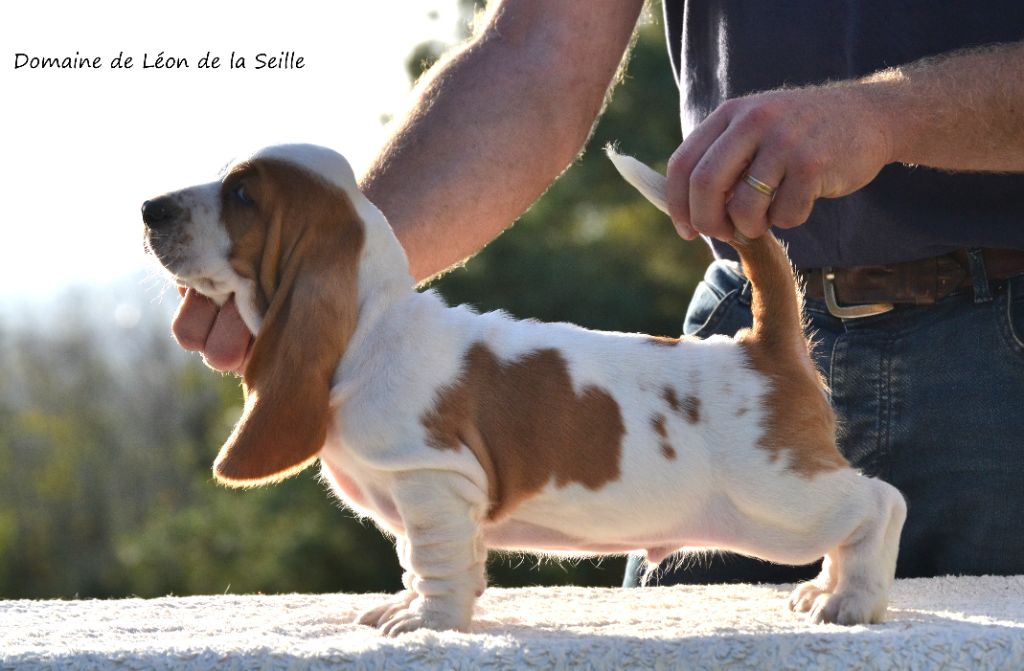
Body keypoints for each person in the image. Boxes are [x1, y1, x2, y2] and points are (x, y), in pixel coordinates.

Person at [171, 1, 1024, 585]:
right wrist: (319, 281)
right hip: (732, 340)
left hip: (1001, 349)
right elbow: (537, 59)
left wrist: (887, 115)